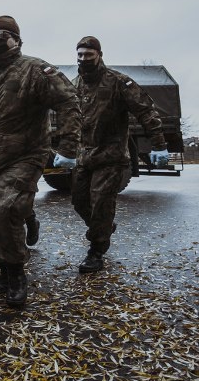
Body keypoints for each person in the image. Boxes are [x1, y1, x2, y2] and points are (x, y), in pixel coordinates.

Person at [0, 16, 80, 307]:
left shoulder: (35, 69)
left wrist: (68, 148)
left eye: (2, 36)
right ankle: (4, 270)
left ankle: (17, 274)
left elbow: (68, 101)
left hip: (26, 156)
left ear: (16, 40)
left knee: (4, 212)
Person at [71, 35, 169, 274]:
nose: (83, 59)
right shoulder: (76, 84)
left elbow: (146, 112)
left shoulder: (118, 82)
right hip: (85, 156)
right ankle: (104, 227)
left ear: (99, 55)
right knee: (79, 201)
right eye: (80, 55)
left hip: (111, 156)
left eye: (88, 55)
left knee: (101, 203)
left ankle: (96, 250)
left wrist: (159, 144)